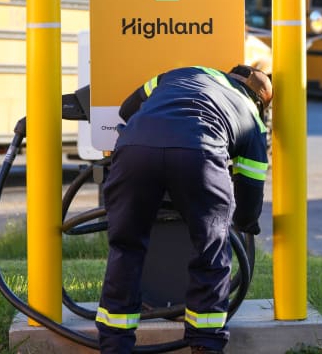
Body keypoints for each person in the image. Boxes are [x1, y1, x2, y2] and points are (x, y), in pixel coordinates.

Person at [95, 64, 272, 354]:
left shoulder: (183, 73)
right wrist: (245, 222)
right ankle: (206, 345)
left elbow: (127, 109)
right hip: (200, 153)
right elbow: (249, 196)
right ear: (259, 101)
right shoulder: (252, 119)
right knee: (211, 252)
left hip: (134, 151)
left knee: (125, 249)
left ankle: (114, 346)